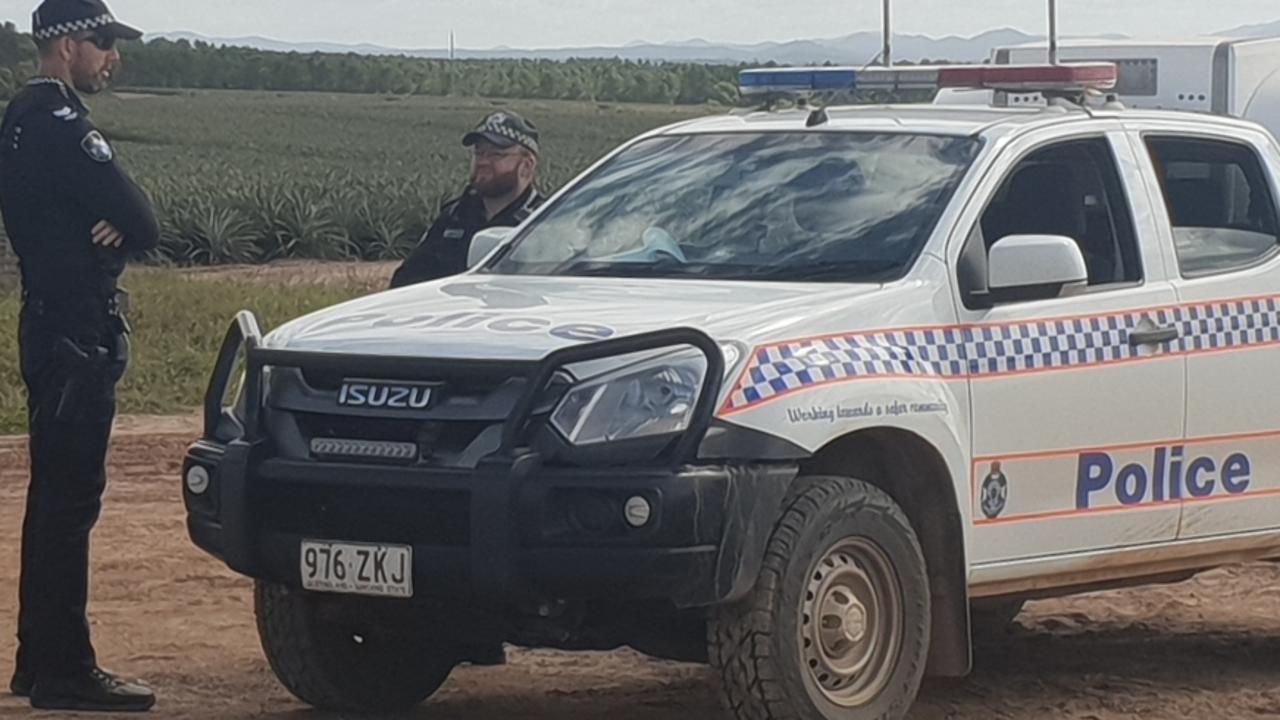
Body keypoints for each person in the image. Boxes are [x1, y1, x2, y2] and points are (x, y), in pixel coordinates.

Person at [0, 0, 159, 711]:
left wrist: (110, 229)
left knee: (50, 500)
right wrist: (117, 231)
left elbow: (118, 224)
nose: (110, 56)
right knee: (70, 505)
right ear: (65, 47)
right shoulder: (64, 126)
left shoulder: (15, 120)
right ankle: (65, 666)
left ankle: (38, 661)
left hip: (43, 320)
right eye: (101, 42)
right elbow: (144, 220)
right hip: (76, 332)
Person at [390, 111, 544, 288]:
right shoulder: (453, 217)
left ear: (527, 165)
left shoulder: (542, 223)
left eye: (496, 155)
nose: (483, 162)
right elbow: (406, 281)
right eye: (479, 153)